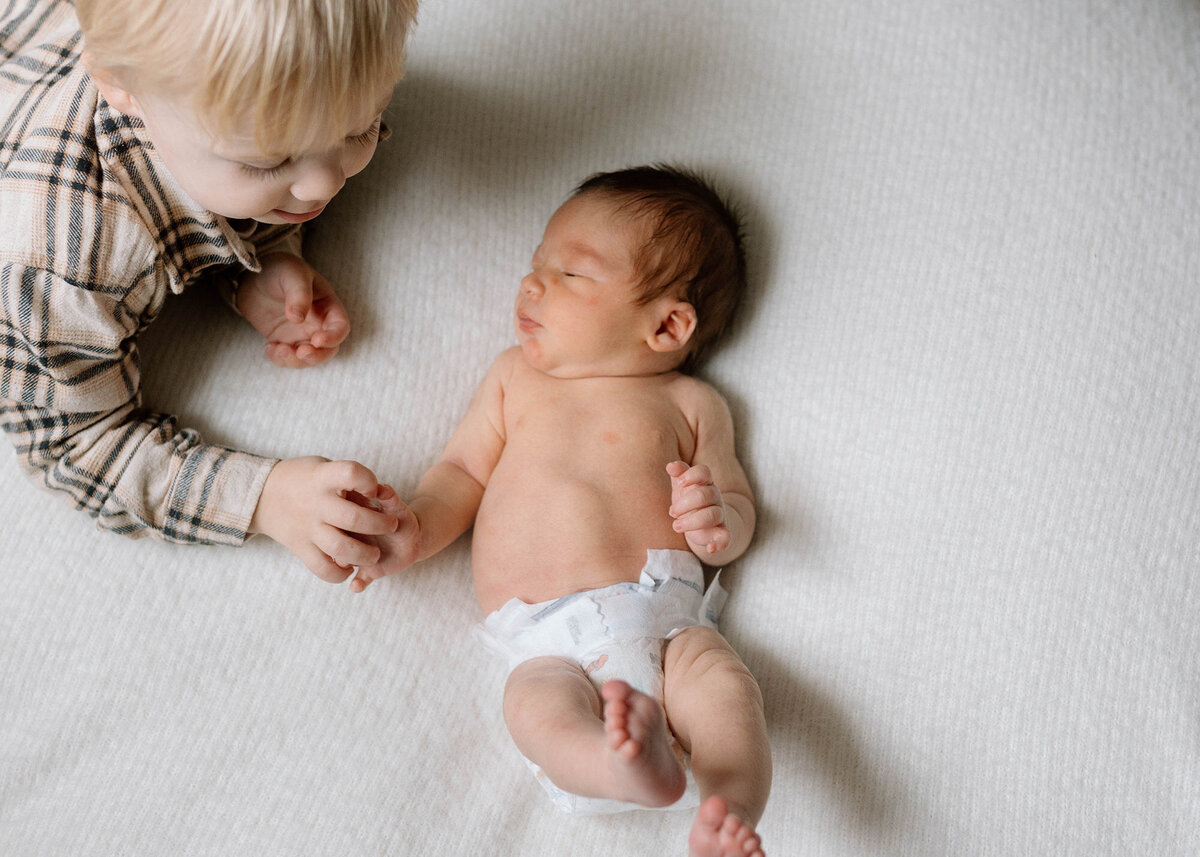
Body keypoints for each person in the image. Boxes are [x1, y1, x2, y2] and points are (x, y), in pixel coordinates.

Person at [353, 166, 771, 857]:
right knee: (533, 707)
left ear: (666, 324)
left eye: (572, 275)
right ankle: (619, 765)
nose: (533, 284)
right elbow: (459, 473)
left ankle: (728, 812)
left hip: (668, 622)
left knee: (726, 689)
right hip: (545, 641)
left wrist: (717, 521)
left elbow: (739, 505)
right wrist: (414, 531)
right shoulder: (512, 378)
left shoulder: (692, 403)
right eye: (535, 264)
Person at [0, 0, 418, 581]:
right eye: (267, 159)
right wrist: (266, 499)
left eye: (360, 126)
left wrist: (264, 257)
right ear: (121, 86)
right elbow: (78, 448)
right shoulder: (59, 267)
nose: (326, 179)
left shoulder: (221, 93)